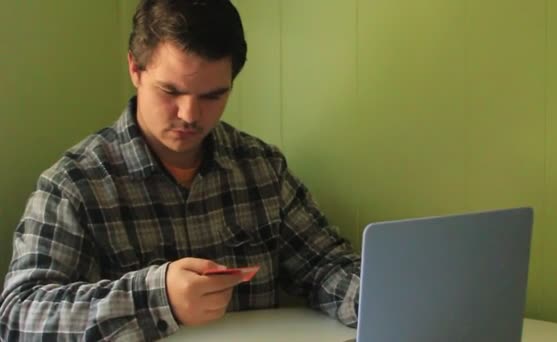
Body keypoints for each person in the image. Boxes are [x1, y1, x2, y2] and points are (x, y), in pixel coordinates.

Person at [0, 0, 361, 340]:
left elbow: (325, 266)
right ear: (135, 69)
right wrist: (157, 297)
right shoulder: (75, 185)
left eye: (212, 96)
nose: (189, 115)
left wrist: (385, 295)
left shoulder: (262, 168)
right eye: (170, 91)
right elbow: (19, 318)